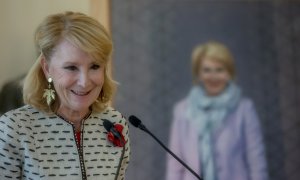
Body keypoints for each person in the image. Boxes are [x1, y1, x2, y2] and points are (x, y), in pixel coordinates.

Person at [0, 11, 130, 180]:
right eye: (71, 67)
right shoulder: (13, 128)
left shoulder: (115, 123)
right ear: (47, 68)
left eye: (95, 66)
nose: (84, 82)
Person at [166, 41, 268, 180]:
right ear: (198, 74)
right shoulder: (182, 110)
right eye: (207, 70)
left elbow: (256, 160)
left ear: (230, 73)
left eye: (219, 70)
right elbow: (175, 163)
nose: (213, 76)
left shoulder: (244, 109)